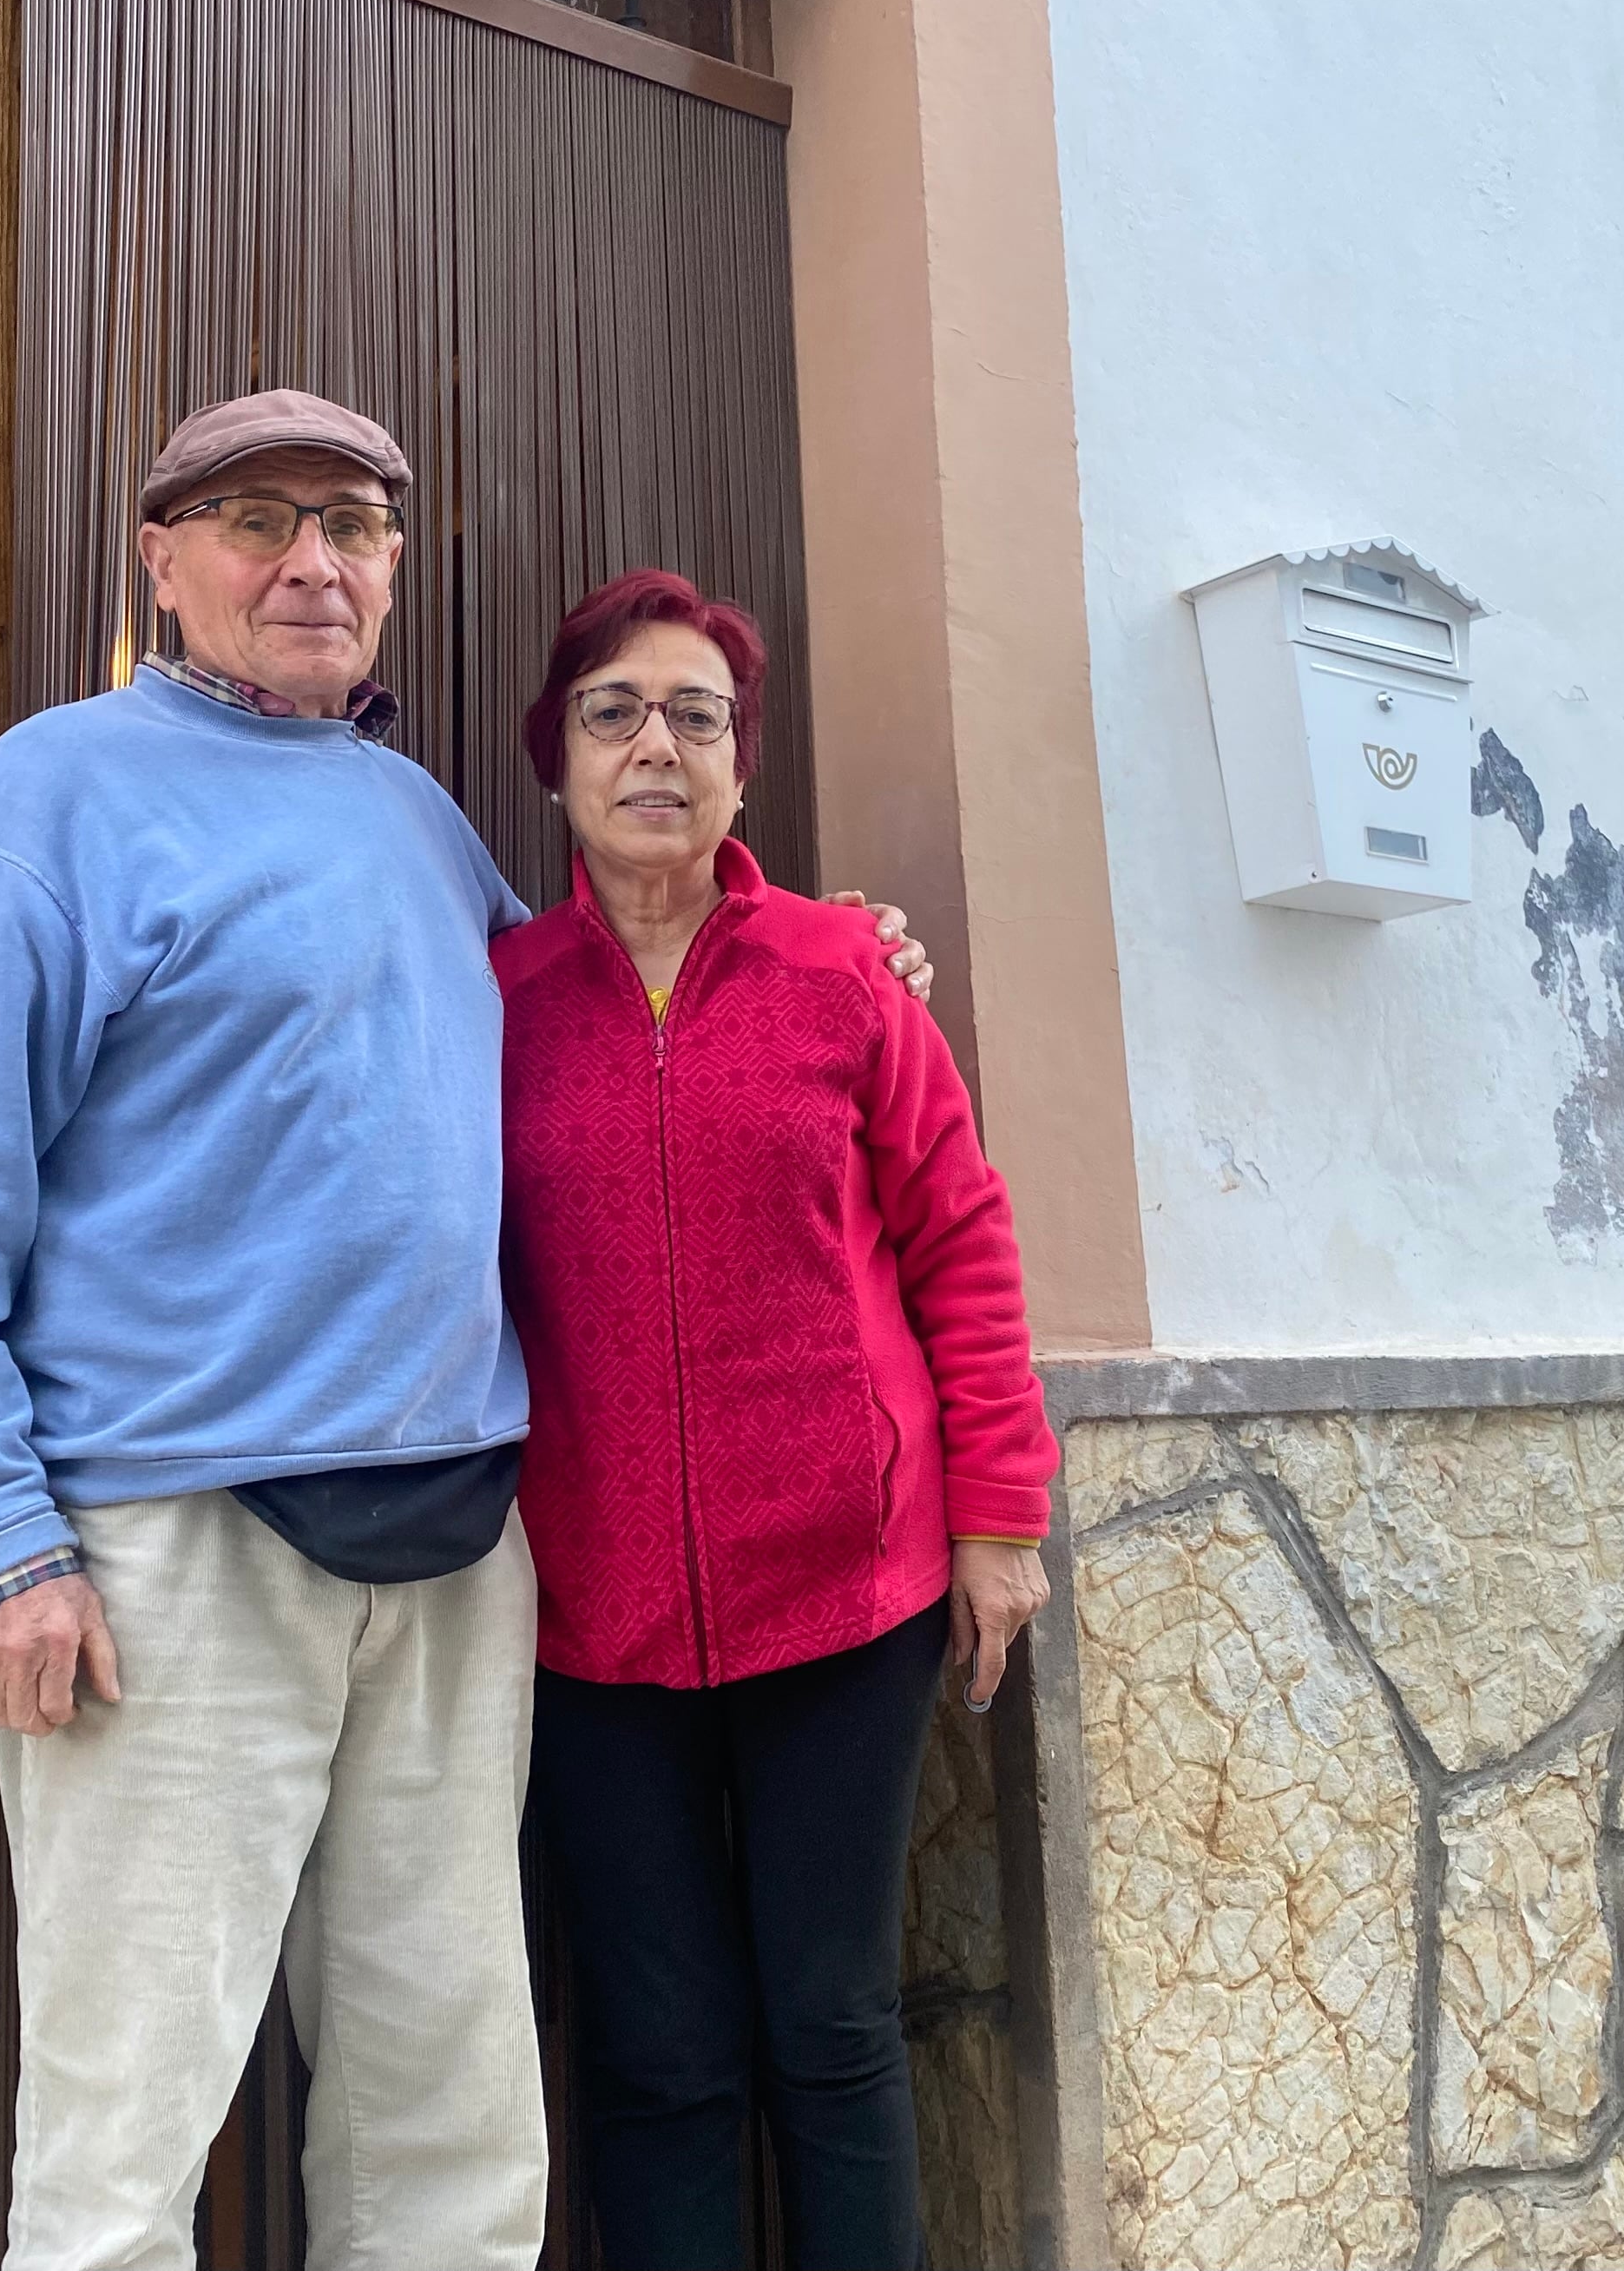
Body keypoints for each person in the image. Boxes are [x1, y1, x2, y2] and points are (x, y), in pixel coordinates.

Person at [0, 397, 928, 2271]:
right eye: (257, 521)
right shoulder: (51, 797)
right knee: (124, 2139)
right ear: (162, 564)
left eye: (353, 524)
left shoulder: (419, 822)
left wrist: (828, 943)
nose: (313, 561)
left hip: (456, 1560)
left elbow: (598, 1012)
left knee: (452, 2118)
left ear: (398, 572)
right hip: (174, 1553)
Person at [493, 569, 1061, 2271]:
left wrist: (1000, 1513)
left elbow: (962, 1235)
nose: (654, 743)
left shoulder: (844, 975)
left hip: (846, 1597)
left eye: (697, 716)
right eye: (614, 711)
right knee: (660, 2058)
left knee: (830, 2029)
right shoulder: (498, 1004)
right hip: (594, 1621)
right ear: (558, 765)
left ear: (744, 770)